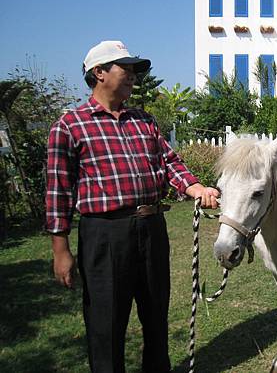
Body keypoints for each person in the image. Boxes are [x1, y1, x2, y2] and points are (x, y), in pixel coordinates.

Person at [46, 40, 220, 373]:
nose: (133, 77)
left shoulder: (144, 121)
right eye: (126, 69)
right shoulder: (69, 125)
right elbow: (58, 192)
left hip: (152, 229)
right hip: (104, 234)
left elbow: (169, 162)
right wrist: (60, 250)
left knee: (156, 315)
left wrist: (195, 187)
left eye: (135, 71)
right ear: (99, 73)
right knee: (105, 322)